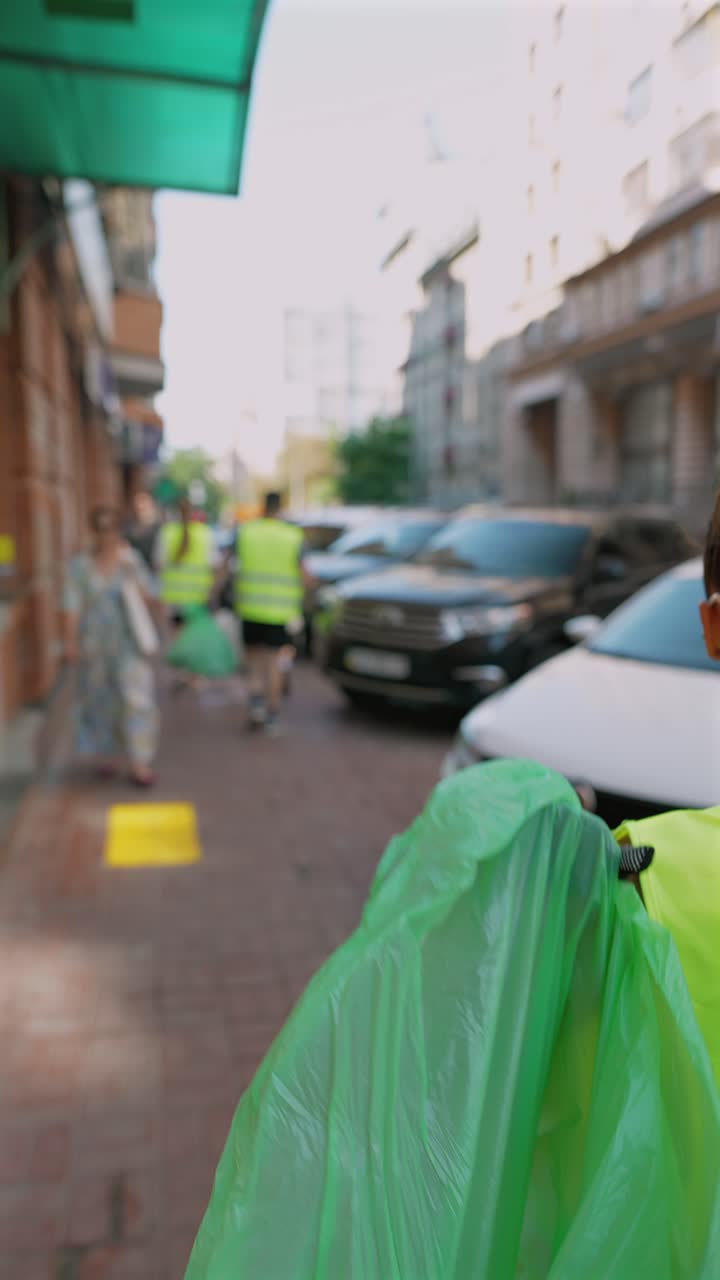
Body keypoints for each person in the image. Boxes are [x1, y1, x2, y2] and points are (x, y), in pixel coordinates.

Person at [63, 505, 159, 786]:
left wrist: (132, 574)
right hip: (95, 646)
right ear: (94, 531)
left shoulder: (130, 561)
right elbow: (72, 606)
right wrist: (70, 643)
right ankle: (107, 755)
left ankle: (140, 761)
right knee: (100, 702)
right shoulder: (80, 566)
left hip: (128, 643)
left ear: (119, 530)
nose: (107, 536)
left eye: (111, 529)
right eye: (101, 529)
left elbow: (151, 595)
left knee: (136, 700)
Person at [219, 492, 308, 735]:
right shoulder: (293, 535)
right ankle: (273, 715)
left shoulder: (245, 532)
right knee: (275, 664)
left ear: (263, 507)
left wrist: (216, 593)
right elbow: (305, 574)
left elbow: (225, 565)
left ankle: (256, 706)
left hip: (250, 609)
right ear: (280, 508)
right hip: (280, 613)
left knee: (254, 661)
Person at [155, 496, 214, 630]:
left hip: (173, 603)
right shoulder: (204, 533)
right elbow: (213, 568)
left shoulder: (166, 532)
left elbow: (158, 566)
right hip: (198, 601)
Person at [124, 489, 161, 574]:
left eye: (143, 502)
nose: (140, 506)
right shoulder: (129, 528)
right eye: (138, 503)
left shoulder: (160, 528)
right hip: (136, 574)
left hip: (155, 575)